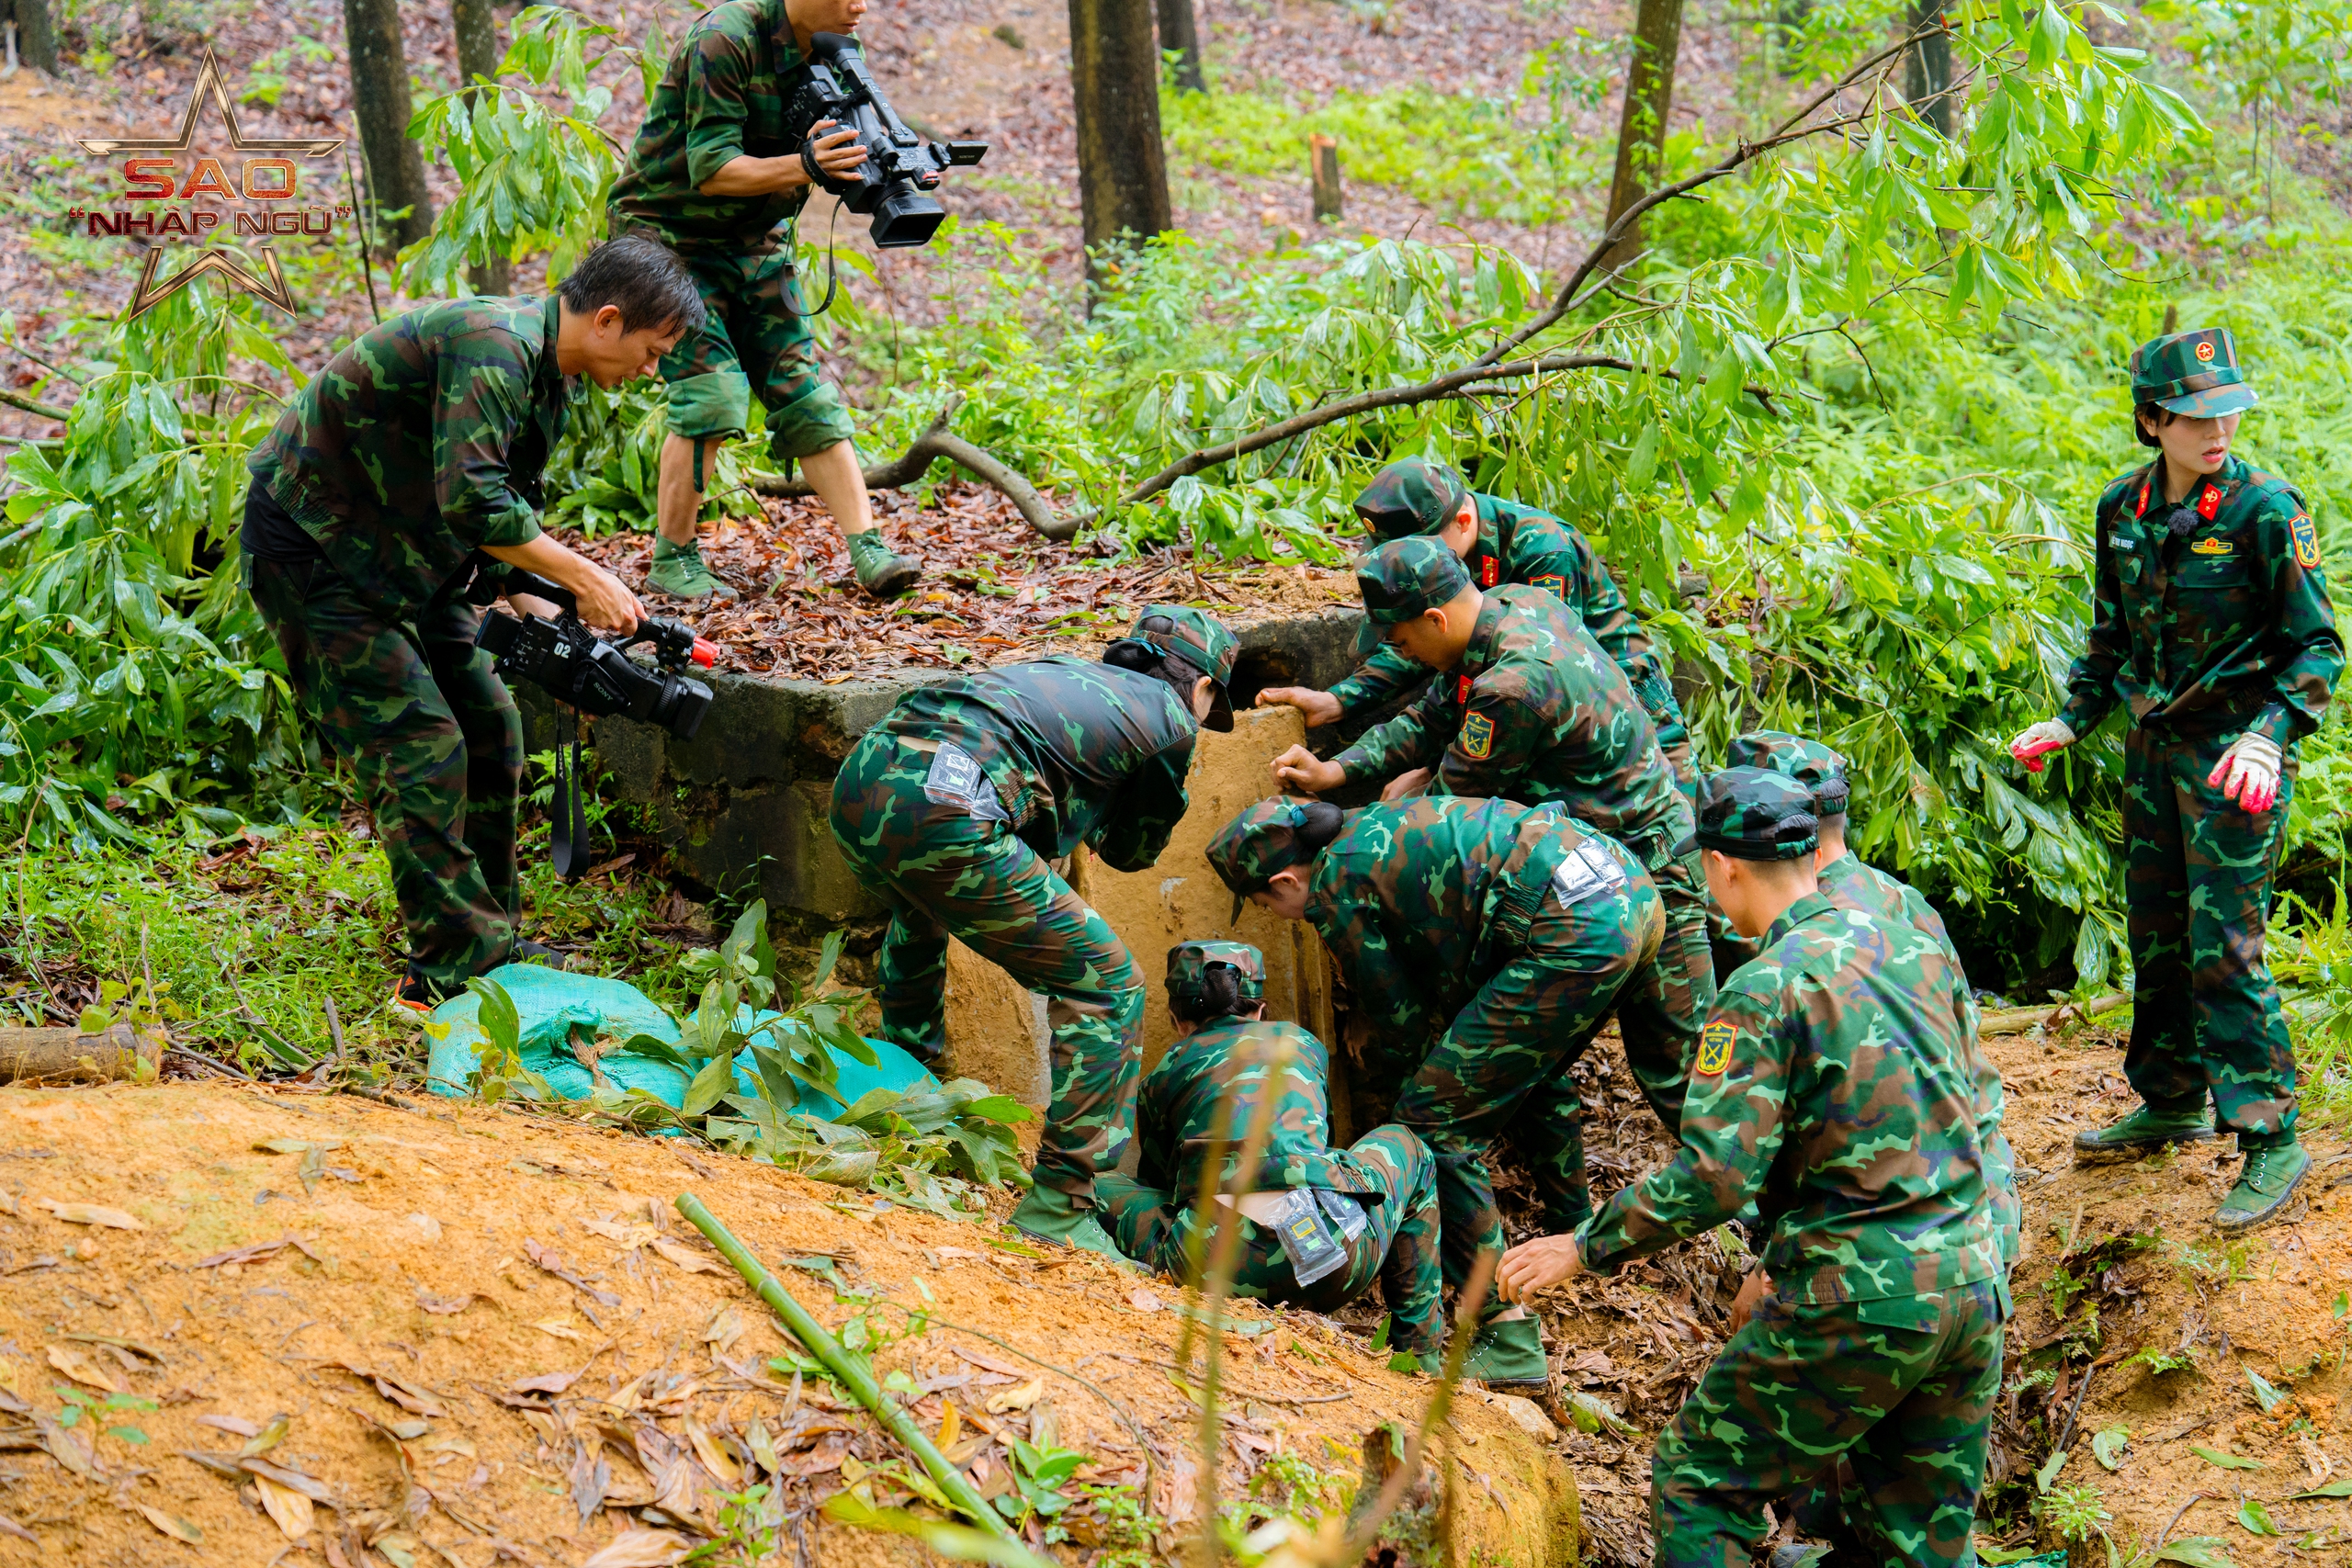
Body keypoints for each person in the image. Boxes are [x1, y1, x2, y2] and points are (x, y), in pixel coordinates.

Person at [1496, 769, 2013, 1568]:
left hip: (1862, 1293)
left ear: (1721, 867)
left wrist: (1584, 1245)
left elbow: (1718, 1177)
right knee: (1915, 1542)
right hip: (1973, 1289)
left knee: (1701, 1479)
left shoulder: (1764, 987)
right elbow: (1974, 1106)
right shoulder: (1913, 945)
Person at [243, 235, 699, 1008]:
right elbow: (475, 502)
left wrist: (534, 597)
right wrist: (587, 577)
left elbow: (499, 509)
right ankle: (448, 969)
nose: (651, 372)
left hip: (407, 555)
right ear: (610, 320)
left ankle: (489, 936)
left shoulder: (547, 374)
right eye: (653, 353)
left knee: (492, 725)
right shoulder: (495, 346)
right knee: (421, 743)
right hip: (315, 549)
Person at [2008, 327, 2342, 1230]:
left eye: (2227, 410)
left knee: (2221, 944)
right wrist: (2071, 719)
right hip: (2154, 751)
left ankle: (2271, 1136)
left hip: (2238, 756)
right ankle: (2170, 1098)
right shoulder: (2121, 507)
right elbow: (2110, 639)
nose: (2217, 429)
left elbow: (2316, 647)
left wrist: (2272, 735)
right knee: (2154, 927)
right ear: (2152, 419)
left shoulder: (2266, 509)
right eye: (2197, 415)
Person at [1205, 794, 1665, 1388]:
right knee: (1533, 1070)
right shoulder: (1372, 823)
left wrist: (1390, 1123)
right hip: (1627, 889)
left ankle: (1504, 1332)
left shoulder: (1334, 884)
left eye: (1270, 901)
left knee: (1433, 1122)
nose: (1281, 912)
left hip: (1570, 929)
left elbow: (1395, 1016)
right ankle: (1574, 1227)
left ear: (1287, 878)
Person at [829, 607, 1238, 1261]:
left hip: (863, 779)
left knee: (920, 913)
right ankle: (1059, 1205)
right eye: (1211, 703)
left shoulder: (1061, 675)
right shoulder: (1168, 720)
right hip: (951, 806)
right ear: (1203, 686)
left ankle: (912, 1088)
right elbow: (1133, 851)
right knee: (1109, 983)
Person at [1268, 535, 1712, 1136]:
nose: (1405, 655)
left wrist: (1354, 825)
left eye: (1401, 642)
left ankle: (1780, 1206)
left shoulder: (1511, 687)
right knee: (1540, 1062)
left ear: (1434, 618)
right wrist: (1337, 769)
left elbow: (1448, 813)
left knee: (1680, 1074)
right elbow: (1433, 719)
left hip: (1647, 865)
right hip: (1600, 864)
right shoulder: (1516, 605)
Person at [608, 0, 931, 602]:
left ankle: (869, 549)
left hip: (753, 241)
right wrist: (807, 163)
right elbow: (711, 168)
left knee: (803, 392)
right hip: (667, 236)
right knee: (712, 392)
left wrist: (894, 167)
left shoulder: (833, 50)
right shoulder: (726, 38)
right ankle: (672, 558)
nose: (860, 5)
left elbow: (839, 149)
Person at [1259, 457, 1697, 798]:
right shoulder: (1443, 581)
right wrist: (1338, 701)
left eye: (1417, 544)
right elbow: (1416, 643)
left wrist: (1438, 770)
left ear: (1463, 522)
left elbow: (1535, 690)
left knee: (1684, 838)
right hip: (1540, 716)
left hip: (1626, 707)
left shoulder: (1542, 551)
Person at [1093, 942, 1444, 1360]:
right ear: (1261, 1009)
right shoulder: (1303, 1043)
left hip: (1211, 1266)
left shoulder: (1162, 1072)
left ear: (1176, 1019)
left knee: (1097, 1183)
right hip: (1335, 1262)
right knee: (1412, 1149)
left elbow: (1161, 1187)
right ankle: (1422, 1359)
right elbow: (1319, 1143)